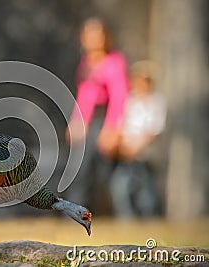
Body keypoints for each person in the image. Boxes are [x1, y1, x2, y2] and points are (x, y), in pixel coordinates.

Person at [66, 17, 129, 208]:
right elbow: (84, 95)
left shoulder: (114, 62)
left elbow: (120, 96)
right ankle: (75, 211)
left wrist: (112, 128)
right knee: (78, 168)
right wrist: (75, 121)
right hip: (88, 121)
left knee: (103, 172)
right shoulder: (86, 63)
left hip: (104, 120)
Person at [110, 60, 166, 217]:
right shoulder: (130, 101)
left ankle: (150, 221)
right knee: (121, 188)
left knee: (146, 194)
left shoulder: (156, 102)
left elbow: (154, 130)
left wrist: (136, 147)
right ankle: (127, 220)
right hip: (126, 155)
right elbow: (121, 124)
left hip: (144, 155)